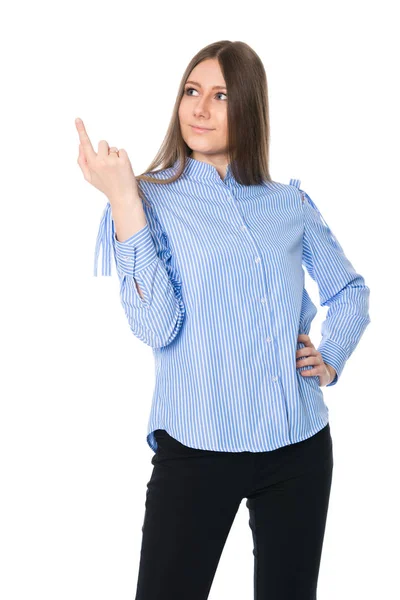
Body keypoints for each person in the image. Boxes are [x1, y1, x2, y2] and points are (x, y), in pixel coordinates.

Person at [76, 40, 371, 600]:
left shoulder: (288, 204)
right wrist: (124, 202)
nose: (200, 108)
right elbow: (155, 326)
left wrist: (330, 359)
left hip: (298, 446)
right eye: (192, 91)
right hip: (197, 448)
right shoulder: (147, 200)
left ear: (250, 109)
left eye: (220, 96)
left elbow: (350, 291)